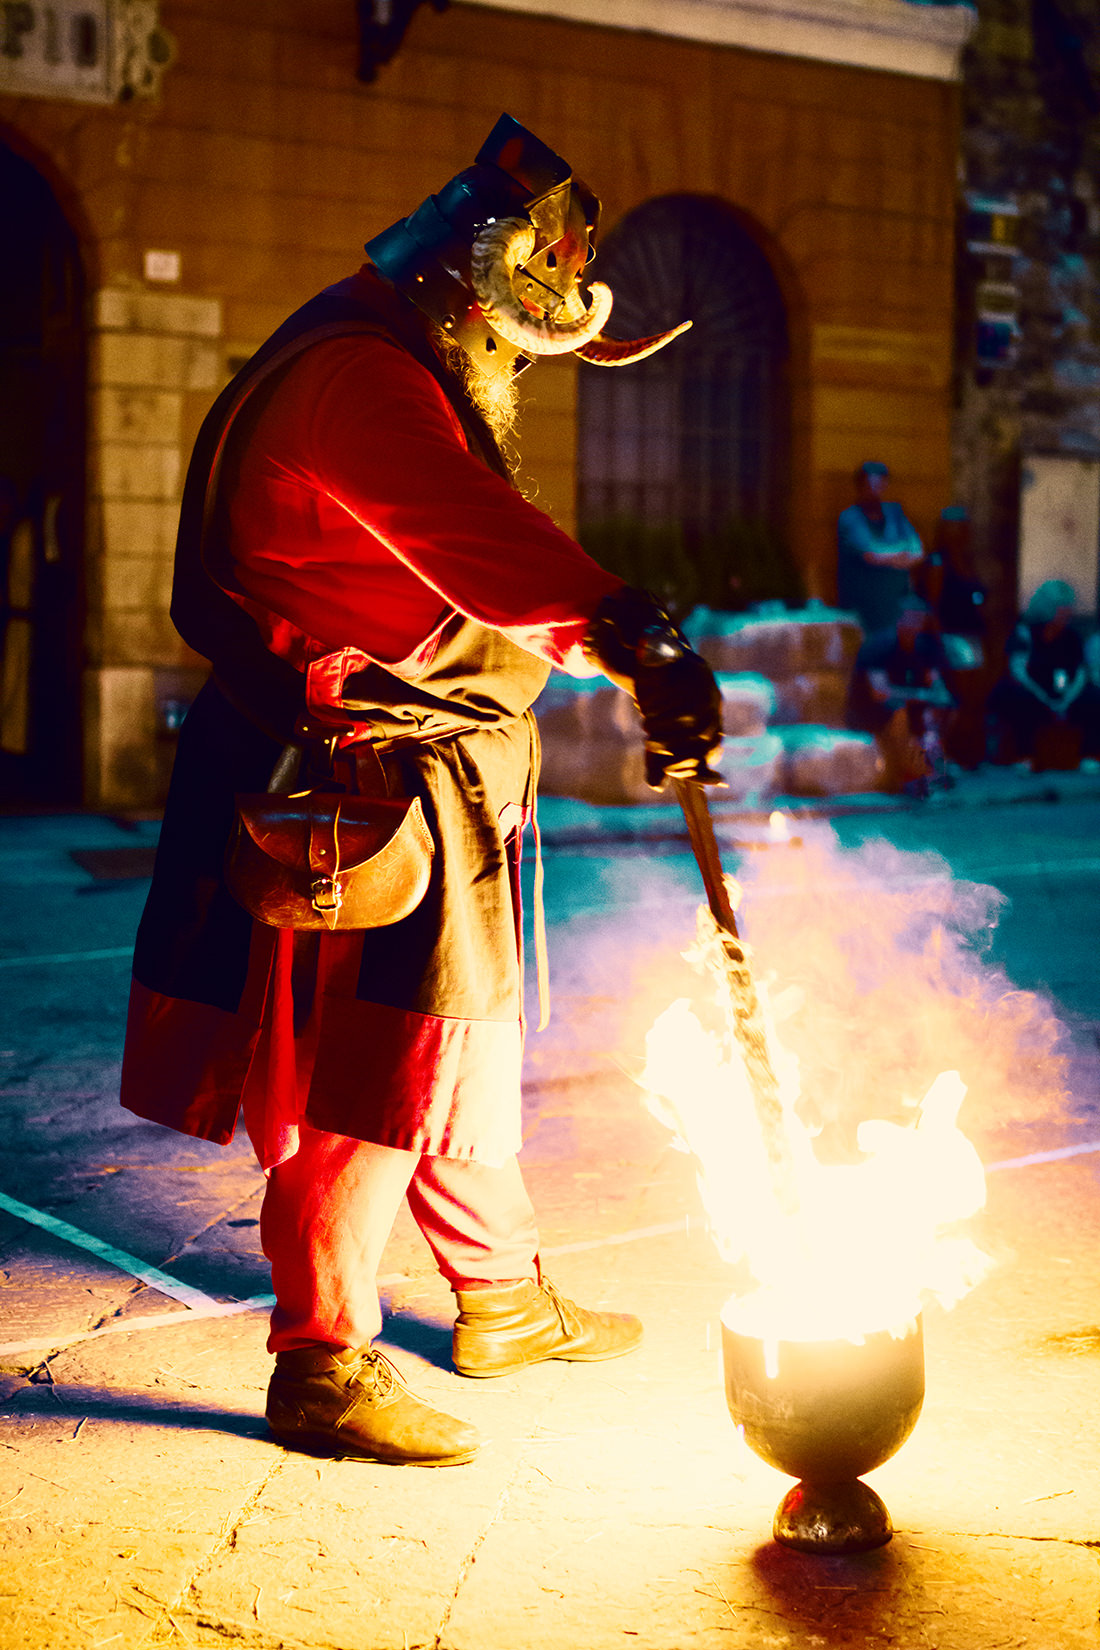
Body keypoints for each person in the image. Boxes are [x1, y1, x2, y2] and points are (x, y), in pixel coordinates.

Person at [119, 116, 722, 1468]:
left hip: (416, 777)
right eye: (512, 340)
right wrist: (624, 629)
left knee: (454, 1052)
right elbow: (472, 535)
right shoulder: (362, 377)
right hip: (354, 786)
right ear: (472, 290)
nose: (510, 368)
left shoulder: (380, 351)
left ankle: (500, 1295)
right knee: (372, 1077)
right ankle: (321, 1361)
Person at [845, 595, 955, 795]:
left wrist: (939, 697)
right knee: (899, 714)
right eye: (910, 618)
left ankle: (936, 767)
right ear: (900, 619)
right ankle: (910, 775)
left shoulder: (925, 647)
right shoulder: (879, 647)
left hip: (912, 706)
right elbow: (879, 693)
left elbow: (935, 682)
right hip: (871, 712)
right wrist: (920, 695)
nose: (914, 624)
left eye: (919, 619)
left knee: (942, 709)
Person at [986, 580, 1100, 769]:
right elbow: (1019, 672)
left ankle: (1089, 756)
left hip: (1064, 694)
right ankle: (1024, 756)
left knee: (1094, 699)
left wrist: (1064, 701)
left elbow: (1080, 674)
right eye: (1061, 609)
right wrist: (1045, 699)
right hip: (1033, 692)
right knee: (1018, 700)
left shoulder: (1071, 638)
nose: (1066, 613)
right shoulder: (1024, 634)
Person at [915, 505, 990, 767]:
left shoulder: (967, 559)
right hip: (952, 637)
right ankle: (947, 755)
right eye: (955, 526)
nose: (961, 531)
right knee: (956, 698)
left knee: (971, 699)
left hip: (973, 636)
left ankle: (968, 753)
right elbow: (933, 606)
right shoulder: (938, 561)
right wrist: (940, 645)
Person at [836, 460, 925, 635]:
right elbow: (872, 554)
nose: (875, 490)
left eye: (880, 484)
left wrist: (891, 555)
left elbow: (917, 551)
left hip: (896, 611)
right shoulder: (850, 518)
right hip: (863, 614)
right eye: (870, 485)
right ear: (860, 486)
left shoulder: (895, 513)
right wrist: (901, 553)